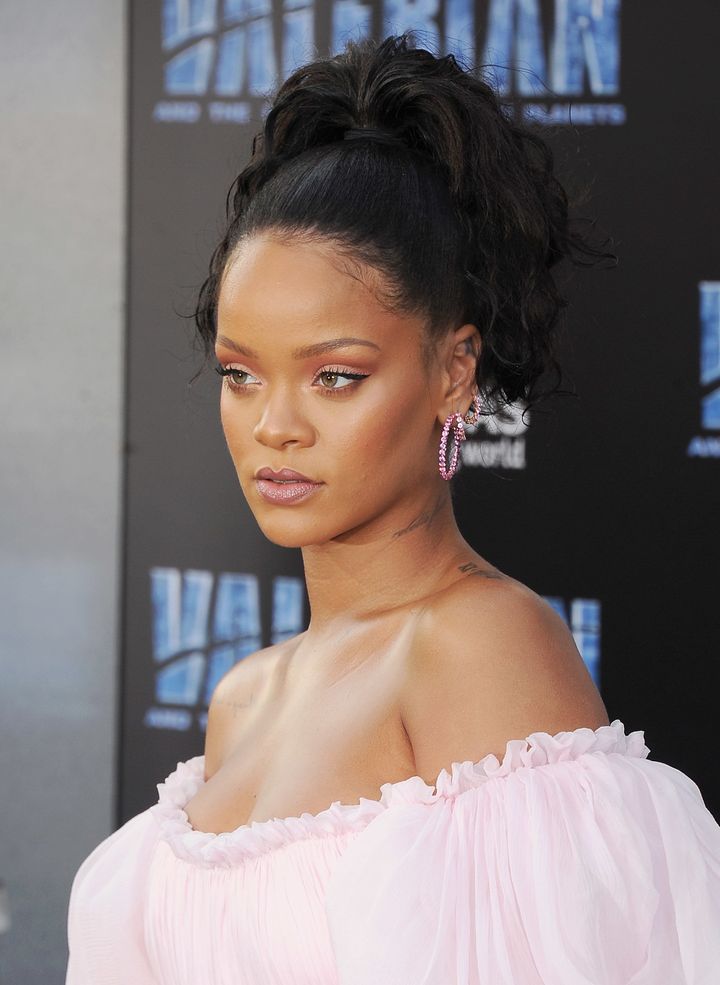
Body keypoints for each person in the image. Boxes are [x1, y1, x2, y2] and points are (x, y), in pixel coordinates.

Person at [65, 32, 720, 985]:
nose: (273, 426)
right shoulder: (240, 700)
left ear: (455, 370)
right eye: (241, 375)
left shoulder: (480, 646)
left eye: (335, 375)